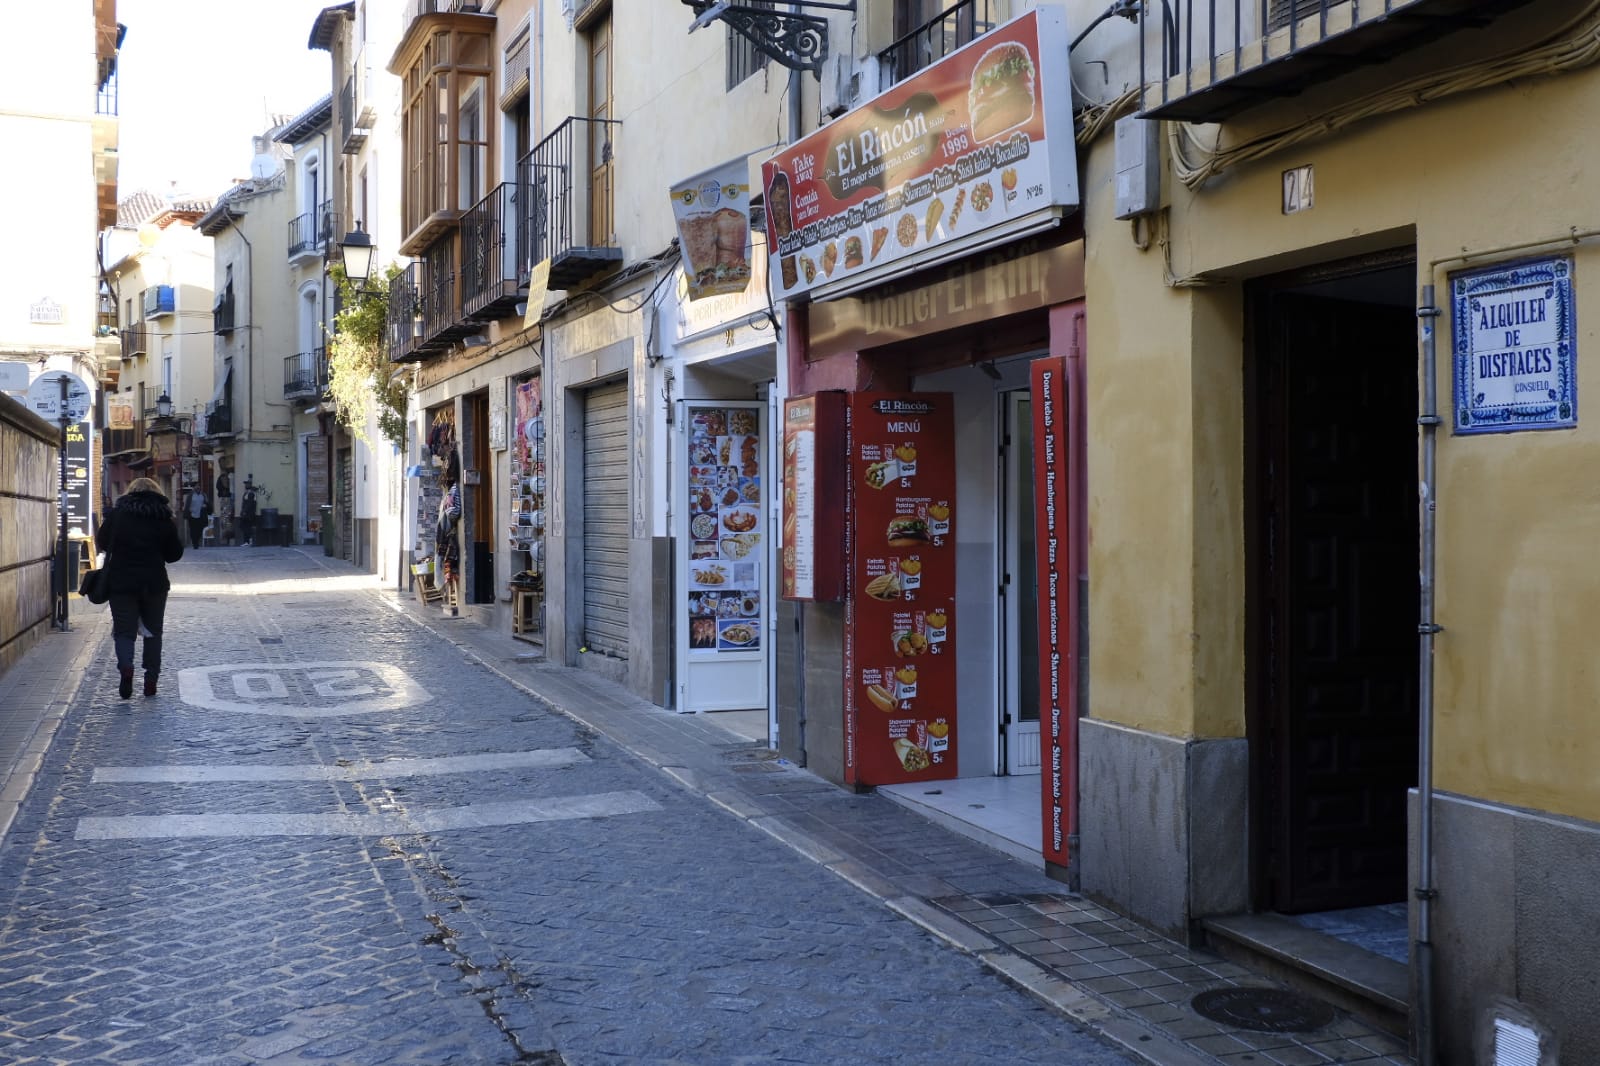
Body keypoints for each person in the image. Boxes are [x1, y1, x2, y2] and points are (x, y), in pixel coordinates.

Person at [97, 477, 183, 699]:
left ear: (129, 492)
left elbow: (103, 542)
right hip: (154, 583)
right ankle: (151, 680)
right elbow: (174, 555)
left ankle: (126, 667)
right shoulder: (163, 517)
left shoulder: (117, 516)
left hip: (121, 582)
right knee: (154, 632)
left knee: (124, 632)